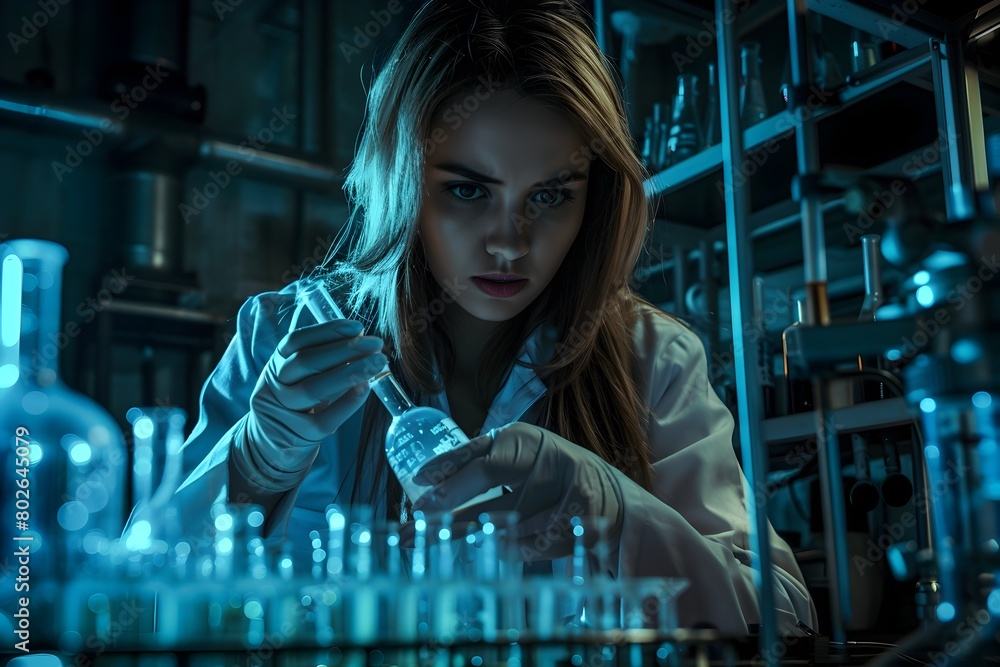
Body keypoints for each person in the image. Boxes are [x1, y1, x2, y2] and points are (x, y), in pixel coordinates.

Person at [129, 0, 816, 635]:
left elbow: (784, 620)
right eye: (466, 189)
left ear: (596, 197)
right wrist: (252, 464)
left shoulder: (650, 359)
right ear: (400, 182)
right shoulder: (286, 335)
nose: (510, 241)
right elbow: (122, 610)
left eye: (549, 196)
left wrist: (609, 508)